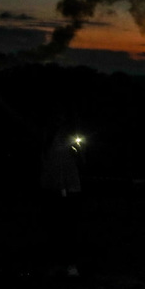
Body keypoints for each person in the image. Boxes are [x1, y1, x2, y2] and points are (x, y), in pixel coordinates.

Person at [40, 114, 85, 277]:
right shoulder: (48, 137)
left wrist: (78, 151)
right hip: (52, 187)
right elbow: (45, 161)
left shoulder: (72, 137)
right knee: (54, 226)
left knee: (69, 226)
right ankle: (57, 262)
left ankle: (70, 263)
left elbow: (82, 160)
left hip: (70, 187)